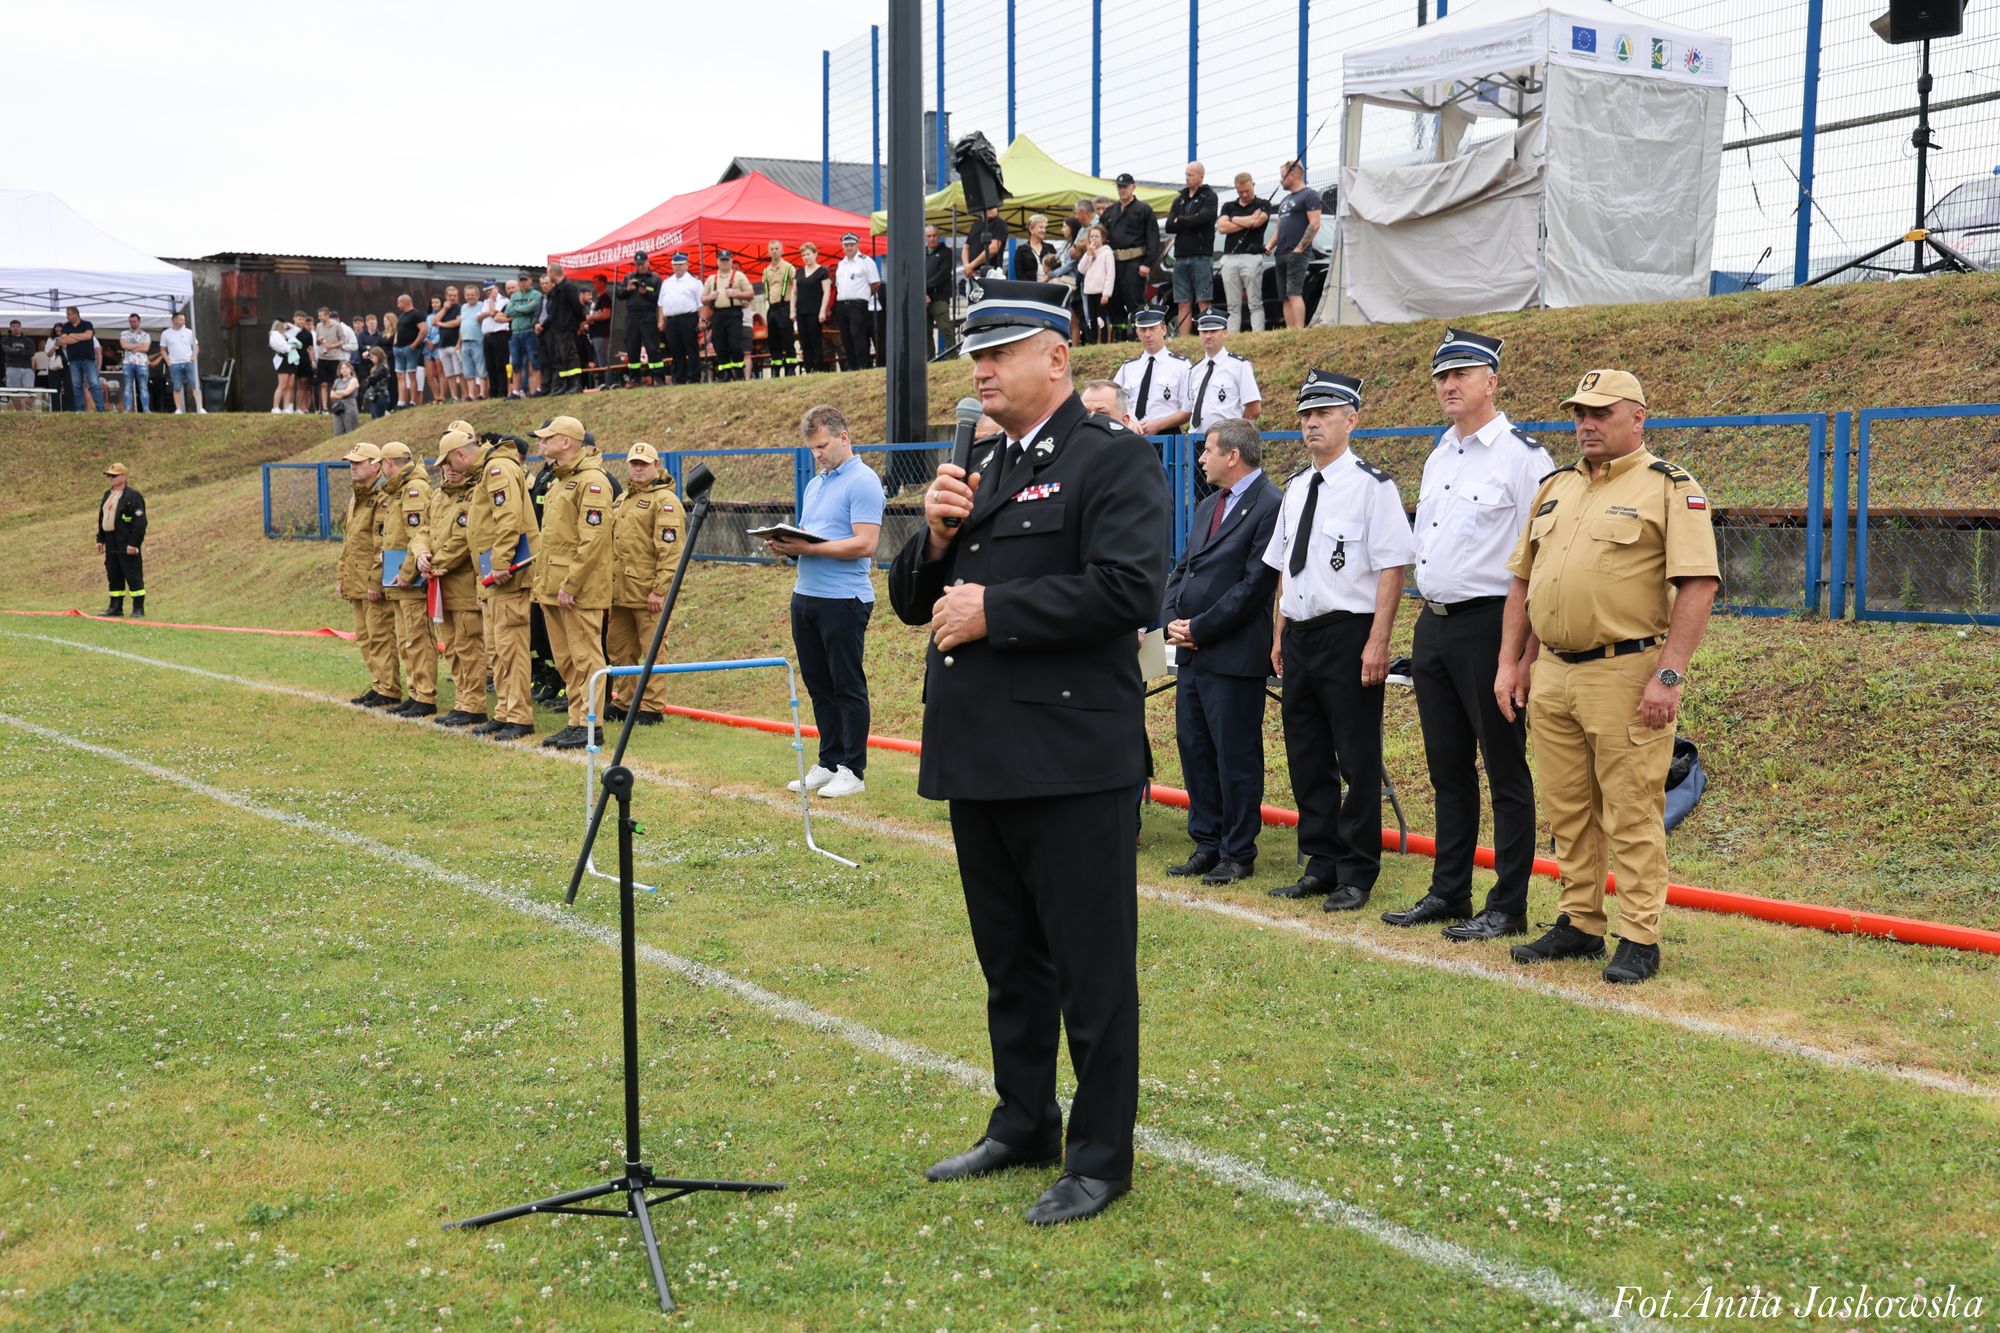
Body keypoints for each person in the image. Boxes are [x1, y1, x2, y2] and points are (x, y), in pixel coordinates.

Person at [887, 279, 1169, 1227]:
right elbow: (912, 599)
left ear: (1057, 356)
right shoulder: (980, 462)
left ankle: (1099, 1155)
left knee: (1091, 966)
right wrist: (931, 538)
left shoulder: (1111, 462)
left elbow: (1130, 590)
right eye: (976, 353)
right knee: (1010, 959)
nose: (981, 368)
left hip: (1069, 754)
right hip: (981, 749)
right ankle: (1024, 1119)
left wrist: (996, 609)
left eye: (999, 350)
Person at [1501, 369, 1720, 984]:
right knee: (1568, 807)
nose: (1586, 425)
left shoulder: (1669, 488)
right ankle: (1579, 922)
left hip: (1626, 674)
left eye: (1600, 413)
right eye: (1579, 413)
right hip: (1553, 673)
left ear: (1637, 419)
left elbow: (1698, 585)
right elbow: (1527, 581)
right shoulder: (1557, 487)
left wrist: (1669, 675)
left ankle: (1639, 935)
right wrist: (1514, 662)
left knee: (1631, 808)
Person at [1381, 328, 1554, 942]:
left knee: (1506, 772)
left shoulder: (1523, 457)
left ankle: (1508, 905)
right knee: (1446, 769)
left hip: (1492, 628)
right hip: (1436, 625)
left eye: (1462, 374)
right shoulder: (1440, 455)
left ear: (1492, 382)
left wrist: (1524, 656)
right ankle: (1449, 891)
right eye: (1441, 376)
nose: (1449, 385)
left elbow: (1540, 565)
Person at [1263, 370, 1416, 911]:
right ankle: (1320, 862)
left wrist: (1378, 640)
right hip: (1300, 634)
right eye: (1305, 415)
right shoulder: (1296, 487)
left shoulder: (1374, 487)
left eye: (1323, 414)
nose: (1311, 425)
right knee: (1307, 756)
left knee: (1356, 756)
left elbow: (1392, 567)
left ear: (1351, 420)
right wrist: (1279, 632)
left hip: (1349, 633)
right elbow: (1285, 566)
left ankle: (1357, 871)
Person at [1161, 417, 1284, 884]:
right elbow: (1185, 568)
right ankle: (1206, 843)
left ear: (1232, 455)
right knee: (1195, 749)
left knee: (1235, 756)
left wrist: (1202, 627)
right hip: (1192, 653)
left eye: (1207, 450)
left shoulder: (1271, 505)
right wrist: (1170, 619)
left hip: (1233, 655)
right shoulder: (1211, 502)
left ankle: (1237, 851)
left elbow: (1255, 586)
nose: (1200, 459)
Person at [760, 405, 884, 799]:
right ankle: (829, 761)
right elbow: (815, 538)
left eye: (822, 446)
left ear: (843, 437)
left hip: (843, 599)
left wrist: (807, 546)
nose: (817, 454)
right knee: (819, 685)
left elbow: (865, 544)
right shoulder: (816, 484)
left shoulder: (863, 481)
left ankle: (853, 768)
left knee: (847, 685)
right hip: (806, 596)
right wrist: (788, 546)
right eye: (812, 448)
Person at [531, 415, 612, 749]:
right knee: (566, 659)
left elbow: (591, 539)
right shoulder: (559, 479)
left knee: (585, 657)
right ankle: (576, 720)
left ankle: (591, 724)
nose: (542, 442)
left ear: (566, 442)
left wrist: (572, 583)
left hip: (577, 589)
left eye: (548, 437)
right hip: (553, 586)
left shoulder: (592, 481)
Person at [465, 430, 539, 741]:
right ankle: (505, 712)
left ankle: (519, 715)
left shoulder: (499, 469)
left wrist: (500, 562)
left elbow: (508, 519)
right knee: (498, 650)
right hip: (494, 578)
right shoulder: (491, 468)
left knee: (512, 649)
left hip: (506, 575)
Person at [604, 441, 684, 724]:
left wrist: (660, 589)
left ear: (656, 466)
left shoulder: (665, 501)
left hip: (648, 592)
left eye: (644, 464)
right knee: (619, 650)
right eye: (634, 463)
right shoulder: (623, 499)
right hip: (620, 591)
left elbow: (670, 551)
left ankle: (651, 707)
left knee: (652, 651)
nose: (638, 468)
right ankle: (625, 702)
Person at [423, 425, 491, 727]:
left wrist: (435, 562)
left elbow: (465, 539)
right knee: (451, 646)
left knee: (469, 646)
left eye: (451, 463)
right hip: (441, 586)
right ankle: (463, 700)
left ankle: (473, 704)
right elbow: (422, 530)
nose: (449, 470)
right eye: (444, 467)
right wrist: (421, 554)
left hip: (462, 585)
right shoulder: (438, 498)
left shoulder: (474, 495)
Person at [374, 441, 439, 717]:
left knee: (417, 637)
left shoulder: (414, 489)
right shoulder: (400, 489)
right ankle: (415, 691)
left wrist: (407, 572)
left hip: (409, 579)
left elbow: (418, 536)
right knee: (406, 639)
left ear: (389, 463)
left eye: (382, 464)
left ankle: (425, 694)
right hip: (399, 578)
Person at [337, 442, 402, 707]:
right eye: (351, 462)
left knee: (381, 635)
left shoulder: (382, 497)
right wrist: (342, 576)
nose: (352, 467)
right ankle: (379, 684)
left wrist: (377, 579)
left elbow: (382, 544)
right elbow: (349, 540)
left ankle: (388, 687)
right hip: (356, 577)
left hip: (371, 580)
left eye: (358, 462)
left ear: (375, 466)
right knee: (365, 636)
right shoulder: (357, 496)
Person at [1110, 308, 1190, 435]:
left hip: (1167, 434)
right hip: (1131, 434)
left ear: (1164, 329)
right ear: (1137, 332)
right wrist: (1129, 423)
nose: (1147, 334)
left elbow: (1188, 410)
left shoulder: (1181, 366)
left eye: (1152, 328)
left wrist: (1158, 425)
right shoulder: (1128, 368)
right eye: (1142, 329)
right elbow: (1113, 402)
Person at [1182, 310, 1262, 436]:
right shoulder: (1194, 371)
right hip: (1197, 438)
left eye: (1213, 331)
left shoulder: (1239, 366)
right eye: (1204, 331)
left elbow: (1254, 408)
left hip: (1226, 439)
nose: (1208, 336)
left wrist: (1235, 431)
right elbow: (1188, 409)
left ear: (1225, 333)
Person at [1099, 173, 1159, 335]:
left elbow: (1153, 238)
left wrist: (1147, 263)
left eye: (1125, 186)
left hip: (1135, 262)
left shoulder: (1143, 209)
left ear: (1133, 187)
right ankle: (1119, 336)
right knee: (1114, 301)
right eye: (1119, 187)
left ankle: (1141, 335)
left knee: (1135, 301)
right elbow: (1100, 234)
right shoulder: (1110, 211)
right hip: (1113, 263)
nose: (1122, 190)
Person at [1164, 162, 1218, 335]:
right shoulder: (1179, 199)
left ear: (1201, 176)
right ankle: (1183, 339)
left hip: (1201, 255)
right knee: (1182, 301)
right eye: (1186, 174)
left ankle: (1207, 334)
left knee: (1204, 300)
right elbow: (1169, 226)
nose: (1188, 178)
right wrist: (1188, 220)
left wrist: (1181, 221)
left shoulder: (1209, 196)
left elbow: (1204, 218)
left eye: (1192, 174)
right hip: (1180, 256)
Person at [1267, 159, 1322, 330]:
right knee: (1284, 296)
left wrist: (1299, 249)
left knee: (1294, 293)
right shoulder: (1285, 200)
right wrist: (1270, 245)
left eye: (1283, 176)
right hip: (1281, 253)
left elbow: (1314, 224)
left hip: (1297, 253)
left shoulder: (1309, 195)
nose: (1281, 180)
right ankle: (1290, 331)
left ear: (1293, 174)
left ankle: (1299, 330)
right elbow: (1279, 226)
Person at [1216, 172, 1272, 333]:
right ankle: (1232, 337)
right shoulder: (1228, 206)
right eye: (1241, 192)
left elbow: (1258, 222)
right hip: (1230, 257)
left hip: (1252, 257)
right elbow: (1222, 228)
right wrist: (1248, 221)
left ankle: (1257, 335)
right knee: (1232, 304)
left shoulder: (1263, 204)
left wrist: (1233, 219)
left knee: (1255, 301)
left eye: (1247, 190)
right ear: (1236, 189)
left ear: (1253, 185)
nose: (1245, 195)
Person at [94, 462, 148, 616]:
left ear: (124, 477)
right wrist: (100, 539)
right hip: (111, 540)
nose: (110, 478)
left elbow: (140, 522)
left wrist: (133, 543)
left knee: (132, 573)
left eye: (114, 475)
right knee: (114, 573)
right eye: (109, 476)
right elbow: (102, 518)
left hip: (125, 540)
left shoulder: (132, 496)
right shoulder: (108, 494)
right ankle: (115, 607)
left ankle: (138, 608)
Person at [833, 233, 881, 372]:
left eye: (851, 245)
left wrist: (864, 296)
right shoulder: (841, 263)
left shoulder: (865, 261)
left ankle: (863, 365)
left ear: (857, 245)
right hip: (842, 304)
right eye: (846, 245)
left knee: (858, 335)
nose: (849, 248)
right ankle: (853, 366)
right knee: (846, 337)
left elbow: (875, 283)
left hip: (858, 303)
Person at [703, 250, 754, 382]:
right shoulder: (711, 279)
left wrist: (736, 294)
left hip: (734, 313)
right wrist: (710, 297)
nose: (724, 263)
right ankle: (725, 372)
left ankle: (738, 372)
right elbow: (703, 299)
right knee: (719, 344)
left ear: (731, 261)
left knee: (735, 345)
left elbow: (750, 293)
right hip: (718, 314)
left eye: (727, 260)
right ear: (717, 262)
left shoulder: (739, 276)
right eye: (722, 260)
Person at [617, 251, 664, 385]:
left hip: (648, 315)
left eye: (642, 264)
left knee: (652, 347)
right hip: (632, 316)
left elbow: (660, 299)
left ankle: (658, 378)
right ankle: (634, 378)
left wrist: (646, 293)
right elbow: (619, 294)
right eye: (638, 264)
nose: (640, 266)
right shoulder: (628, 277)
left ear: (648, 262)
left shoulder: (655, 279)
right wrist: (628, 289)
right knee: (632, 347)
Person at [656, 251, 703, 386]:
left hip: (688, 318)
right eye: (675, 265)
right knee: (676, 350)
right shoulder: (666, 283)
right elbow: (661, 304)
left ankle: (694, 377)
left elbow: (701, 305)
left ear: (687, 265)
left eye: (681, 265)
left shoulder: (695, 282)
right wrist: (661, 320)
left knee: (691, 349)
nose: (678, 268)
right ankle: (679, 378)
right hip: (671, 320)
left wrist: (701, 321)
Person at [539, 265, 586, 395]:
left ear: (553, 273)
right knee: (560, 358)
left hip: (567, 327)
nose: (548, 276)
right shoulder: (556, 290)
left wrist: (581, 321)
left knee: (570, 355)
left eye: (548, 273)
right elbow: (552, 312)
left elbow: (577, 306)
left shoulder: (568, 287)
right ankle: (564, 385)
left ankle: (576, 384)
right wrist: (543, 325)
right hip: (557, 329)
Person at [58, 307, 106, 412]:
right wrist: (80, 337)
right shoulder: (66, 326)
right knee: (76, 385)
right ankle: (80, 409)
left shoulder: (87, 324)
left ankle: (100, 408)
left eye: (69, 314)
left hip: (88, 359)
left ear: (76, 314)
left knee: (94, 384)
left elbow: (88, 336)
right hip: (73, 360)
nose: (67, 316)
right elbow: (63, 340)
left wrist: (72, 336)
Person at [762, 240, 798, 376]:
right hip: (772, 307)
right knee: (773, 339)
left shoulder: (789, 268)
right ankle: (776, 368)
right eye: (772, 249)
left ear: (782, 250)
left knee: (788, 338)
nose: (774, 251)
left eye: (777, 248)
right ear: (769, 251)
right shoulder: (766, 271)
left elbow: (795, 288)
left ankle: (790, 368)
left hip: (785, 306)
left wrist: (793, 309)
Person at [1075, 225, 1116, 344]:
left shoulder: (1107, 253)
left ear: (1102, 238)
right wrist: (1088, 255)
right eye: (1091, 236)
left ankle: (1103, 341)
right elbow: (1081, 269)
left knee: (1101, 319)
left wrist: (1106, 293)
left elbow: (1110, 274)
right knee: (1091, 318)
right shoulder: (1089, 253)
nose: (1094, 238)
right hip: (1089, 291)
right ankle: (1092, 341)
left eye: (1097, 236)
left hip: (1101, 291)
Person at [159, 312, 203, 414]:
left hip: (188, 362)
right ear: (174, 320)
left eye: (184, 319)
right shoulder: (165, 334)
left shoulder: (189, 332)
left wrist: (193, 357)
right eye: (181, 319)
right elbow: (162, 349)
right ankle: (178, 409)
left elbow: (196, 346)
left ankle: (200, 408)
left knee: (195, 385)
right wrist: (168, 361)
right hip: (174, 363)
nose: (184, 321)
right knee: (177, 386)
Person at [505, 278, 542, 398]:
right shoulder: (514, 296)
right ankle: (515, 391)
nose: (523, 283)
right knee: (516, 363)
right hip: (515, 333)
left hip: (529, 331)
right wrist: (524, 309)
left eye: (525, 280)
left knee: (534, 361)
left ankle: (537, 389)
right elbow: (508, 311)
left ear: (530, 281)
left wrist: (518, 309)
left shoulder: (536, 294)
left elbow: (532, 308)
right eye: (520, 281)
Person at [923, 225, 954, 355]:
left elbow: (942, 274)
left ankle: (952, 357)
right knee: (925, 332)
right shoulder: (920, 253)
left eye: (934, 235)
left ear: (939, 236)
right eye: (929, 236)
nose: (932, 238)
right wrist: (923, 293)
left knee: (945, 328)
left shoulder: (946, 252)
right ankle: (929, 361)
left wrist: (925, 290)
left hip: (939, 298)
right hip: (923, 298)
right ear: (925, 237)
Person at [479, 282, 512, 399]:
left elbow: (493, 313)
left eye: (491, 290)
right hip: (487, 336)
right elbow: (478, 317)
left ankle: (502, 391)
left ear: (496, 289)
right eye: (487, 291)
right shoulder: (485, 302)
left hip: (500, 334)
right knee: (490, 366)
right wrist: (487, 310)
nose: (489, 293)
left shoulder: (503, 301)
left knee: (500, 364)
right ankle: (493, 392)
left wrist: (492, 302)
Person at [455, 290, 488, 400]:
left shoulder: (482, 305)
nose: (470, 297)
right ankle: (471, 394)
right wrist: (459, 342)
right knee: (468, 370)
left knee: (481, 369)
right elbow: (462, 325)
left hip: (478, 340)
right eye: (468, 295)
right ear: (464, 296)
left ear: (477, 295)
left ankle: (483, 394)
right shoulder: (463, 307)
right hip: (465, 342)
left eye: (472, 295)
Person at [963, 206, 1009, 280]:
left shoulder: (999, 223)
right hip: (972, 274)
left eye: (993, 207)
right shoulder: (975, 224)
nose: (990, 209)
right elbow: (966, 247)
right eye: (987, 207)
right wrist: (966, 266)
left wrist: (970, 266)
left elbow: (993, 249)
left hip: (991, 274)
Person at [118, 315, 153, 414]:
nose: (133, 323)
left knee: (143, 387)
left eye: (134, 321)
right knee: (127, 387)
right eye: (131, 321)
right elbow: (123, 345)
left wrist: (130, 347)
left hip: (142, 363)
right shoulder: (124, 333)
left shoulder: (146, 334)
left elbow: (146, 348)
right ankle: (127, 409)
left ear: (139, 321)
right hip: (128, 362)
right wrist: (139, 345)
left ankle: (146, 409)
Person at [1, 320, 36, 403]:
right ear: (10, 328)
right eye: (13, 326)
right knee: (14, 392)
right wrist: (23, 351)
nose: (15, 328)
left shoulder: (28, 340)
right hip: (12, 367)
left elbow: (31, 353)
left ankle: (29, 411)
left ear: (21, 328)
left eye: (17, 326)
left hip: (27, 368)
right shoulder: (5, 339)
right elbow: (7, 351)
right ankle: (19, 413)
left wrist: (15, 351)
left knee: (29, 391)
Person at [1010, 213, 1052, 281]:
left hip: (1049, 287)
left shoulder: (1050, 248)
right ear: (1031, 229)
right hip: (1030, 288)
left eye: (1045, 228)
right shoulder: (1021, 250)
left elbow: (1057, 269)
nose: (1044, 230)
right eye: (1041, 227)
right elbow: (1019, 274)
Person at [585, 275, 614, 372]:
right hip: (594, 334)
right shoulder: (598, 299)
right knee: (597, 360)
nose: (593, 284)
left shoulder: (605, 298)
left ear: (602, 283)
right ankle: (602, 381)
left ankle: (607, 382)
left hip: (601, 334)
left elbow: (606, 314)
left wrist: (591, 317)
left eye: (595, 282)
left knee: (602, 360)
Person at [360, 346, 395, 419]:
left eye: (373, 357)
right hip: (376, 395)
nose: (371, 359)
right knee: (374, 417)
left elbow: (372, 380)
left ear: (378, 356)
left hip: (380, 396)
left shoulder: (382, 367)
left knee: (377, 418)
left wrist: (365, 382)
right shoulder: (378, 366)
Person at [329, 361, 362, 435]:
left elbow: (347, 392)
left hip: (350, 407)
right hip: (338, 407)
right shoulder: (337, 381)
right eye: (342, 368)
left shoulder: (353, 380)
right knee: (338, 431)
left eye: (346, 368)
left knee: (350, 430)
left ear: (350, 369)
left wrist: (337, 392)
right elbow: (331, 395)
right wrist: (341, 393)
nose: (344, 370)